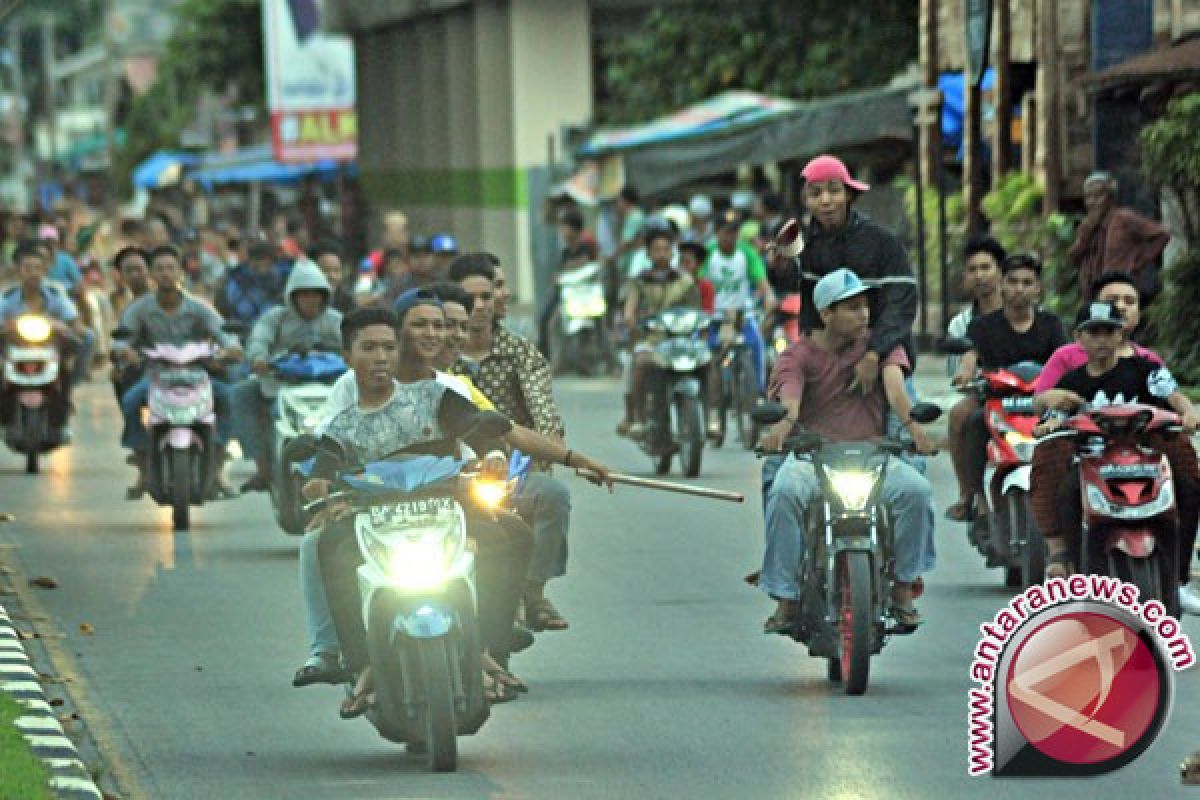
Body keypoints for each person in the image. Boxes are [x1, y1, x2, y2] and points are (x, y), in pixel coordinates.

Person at [302, 305, 611, 711]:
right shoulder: (342, 423)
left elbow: (486, 429)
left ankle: (488, 647)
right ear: (348, 357)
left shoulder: (435, 396)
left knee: (513, 534)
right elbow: (321, 467)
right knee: (331, 548)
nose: (380, 357)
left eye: (388, 348)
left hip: (448, 508)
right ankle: (362, 665)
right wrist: (318, 488)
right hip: (374, 520)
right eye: (369, 348)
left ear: (399, 353)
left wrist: (496, 454)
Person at [759, 268, 936, 633]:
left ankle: (903, 588)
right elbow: (789, 402)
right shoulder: (797, 356)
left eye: (865, 306)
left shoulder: (881, 349)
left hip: (874, 458)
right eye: (852, 308)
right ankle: (786, 598)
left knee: (917, 491)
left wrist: (915, 428)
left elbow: (897, 392)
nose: (864, 315)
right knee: (784, 491)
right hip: (813, 459)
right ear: (826, 314)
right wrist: (780, 429)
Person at [1030, 301, 1200, 610]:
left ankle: (1178, 578)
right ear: (1078, 338)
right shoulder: (1071, 384)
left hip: (1147, 466)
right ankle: (1071, 566)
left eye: (1108, 331)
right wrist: (1051, 420)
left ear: (1120, 335)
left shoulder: (1146, 371)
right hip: (1093, 469)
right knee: (1066, 492)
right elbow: (1049, 417)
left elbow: (1175, 397)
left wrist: (1188, 413)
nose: (1101, 340)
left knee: (1187, 487)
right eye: (1093, 332)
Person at [449, 254, 582, 632]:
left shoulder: (520, 351)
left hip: (514, 467)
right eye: (468, 300)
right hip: (451, 471)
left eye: (486, 298)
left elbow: (540, 402)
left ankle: (533, 593)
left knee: (554, 496)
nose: (478, 309)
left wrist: (551, 441)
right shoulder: (439, 357)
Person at [767, 155, 918, 389]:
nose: (825, 200)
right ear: (806, 201)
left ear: (848, 194)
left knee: (899, 421)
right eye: (815, 193)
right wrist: (779, 266)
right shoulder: (803, 244)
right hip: (824, 363)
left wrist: (873, 354)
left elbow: (902, 304)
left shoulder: (883, 242)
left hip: (884, 359)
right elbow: (792, 286)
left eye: (834, 191)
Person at [114, 245, 242, 498]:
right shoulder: (140, 308)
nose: (166, 273)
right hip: (155, 375)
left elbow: (225, 336)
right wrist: (123, 351)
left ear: (181, 273)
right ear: (151, 274)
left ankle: (216, 462)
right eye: (159, 269)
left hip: (198, 375)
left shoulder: (199, 308)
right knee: (130, 401)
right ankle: (143, 464)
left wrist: (231, 350)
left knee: (229, 397)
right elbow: (122, 339)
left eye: (171, 268)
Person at [951, 253, 1067, 519]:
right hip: (994, 398)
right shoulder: (982, 326)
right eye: (1013, 282)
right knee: (969, 419)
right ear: (1001, 284)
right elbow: (970, 353)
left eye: (1027, 283)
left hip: (1041, 400)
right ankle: (973, 495)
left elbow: (1064, 360)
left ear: (1038, 288)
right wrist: (966, 371)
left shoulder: (1051, 324)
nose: (1019, 289)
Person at [234, 259, 343, 492]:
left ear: (325, 296)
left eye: (316, 294)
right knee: (240, 394)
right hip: (279, 383)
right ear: (292, 296)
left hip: (330, 385)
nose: (310, 300)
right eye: (304, 294)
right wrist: (258, 358)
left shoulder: (335, 320)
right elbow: (259, 338)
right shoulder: (276, 317)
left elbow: (352, 344)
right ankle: (262, 467)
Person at [0, 241, 93, 440]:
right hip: (13, 351)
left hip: (50, 352)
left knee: (76, 355)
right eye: (27, 268)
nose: (32, 273)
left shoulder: (56, 296)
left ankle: (64, 407)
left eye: (37, 268)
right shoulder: (7, 298)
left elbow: (73, 321)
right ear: (18, 271)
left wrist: (73, 327)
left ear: (45, 271)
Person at [943, 236, 1006, 521]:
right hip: (985, 396)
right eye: (973, 269)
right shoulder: (960, 324)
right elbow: (956, 374)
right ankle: (968, 493)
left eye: (986, 267)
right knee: (959, 416)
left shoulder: (1027, 314)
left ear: (1000, 271)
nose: (980, 275)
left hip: (1029, 396)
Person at [616, 227, 702, 438]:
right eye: (657, 249)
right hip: (651, 340)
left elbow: (697, 311)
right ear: (648, 254)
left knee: (710, 361)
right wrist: (631, 319)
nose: (662, 254)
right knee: (640, 362)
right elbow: (629, 309)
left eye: (666, 249)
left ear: (673, 253)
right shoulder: (639, 282)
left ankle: (714, 418)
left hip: (681, 341)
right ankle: (636, 417)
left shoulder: (685, 281)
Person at [700, 209, 775, 435]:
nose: (730, 237)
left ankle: (759, 395)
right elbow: (699, 283)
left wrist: (769, 296)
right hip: (713, 318)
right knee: (706, 358)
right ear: (716, 233)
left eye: (734, 232)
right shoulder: (708, 254)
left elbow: (761, 280)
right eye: (725, 232)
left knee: (757, 346)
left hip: (743, 315)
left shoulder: (747, 253)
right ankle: (712, 410)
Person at [1068, 171, 1170, 299]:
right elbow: (1073, 258)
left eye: (1098, 196)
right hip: (1092, 293)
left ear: (1110, 197)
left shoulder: (1124, 217)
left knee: (1118, 317)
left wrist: (1138, 262)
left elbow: (1161, 235)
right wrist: (1086, 233)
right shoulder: (1086, 225)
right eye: (1088, 197)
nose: (1092, 202)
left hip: (1120, 290)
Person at [538, 208, 599, 357]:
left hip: (584, 296)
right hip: (565, 294)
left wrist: (566, 272)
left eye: (564, 227)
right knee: (546, 319)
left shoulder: (585, 246)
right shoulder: (566, 251)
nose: (561, 231)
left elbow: (586, 267)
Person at [109, 247, 155, 403]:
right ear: (121, 276)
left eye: (139, 269)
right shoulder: (122, 304)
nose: (135, 275)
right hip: (139, 365)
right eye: (129, 270)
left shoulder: (164, 297)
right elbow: (118, 339)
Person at [216, 240, 285, 330]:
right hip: (243, 330)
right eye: (258, 259)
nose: (263, 263)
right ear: (250, 261)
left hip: (274, 329)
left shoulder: (280, 280)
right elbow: (239, 309)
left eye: (267, 259)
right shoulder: (238, 280)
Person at [309, 239, 357, 314]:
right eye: (325, 270)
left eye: (336, 270)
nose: (332, 276)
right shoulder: (298, 302)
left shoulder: (348, 304)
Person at [678, 241, 714, 313]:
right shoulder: (672, 283)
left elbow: (707, 313)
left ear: (699, 264)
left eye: (687, 262)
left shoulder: (705, 286)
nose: (683, 266)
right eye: (681, 261)